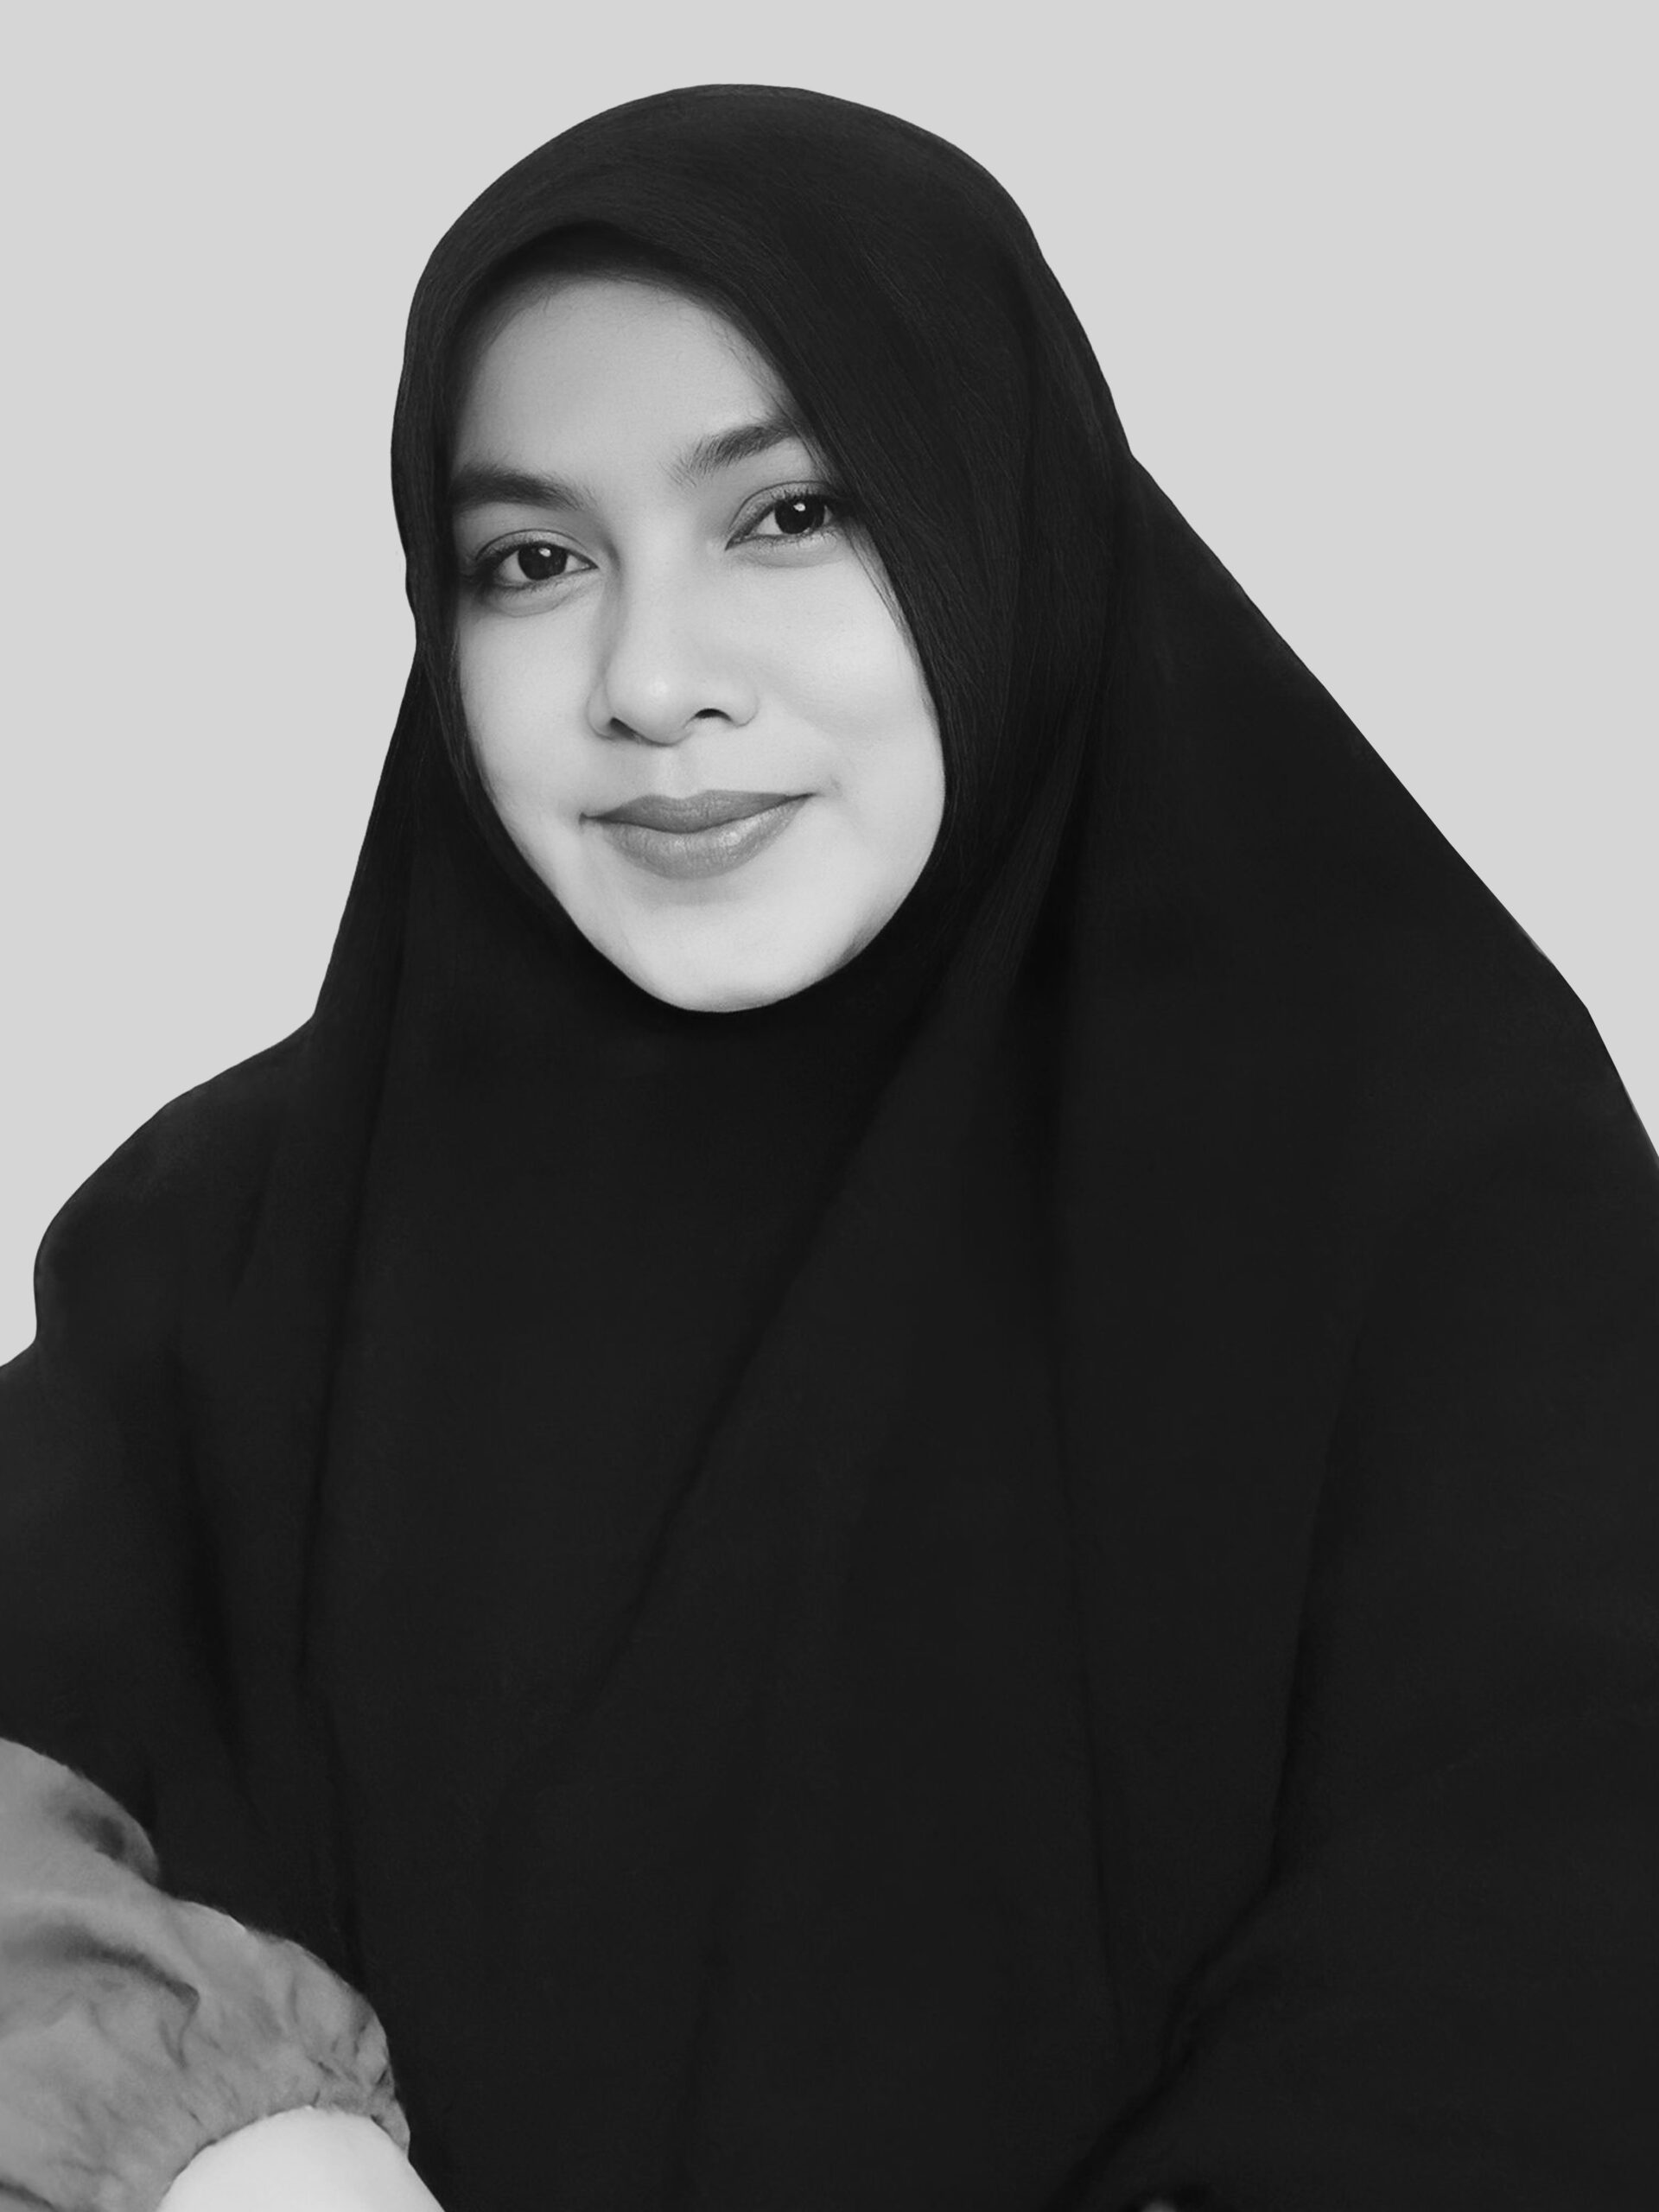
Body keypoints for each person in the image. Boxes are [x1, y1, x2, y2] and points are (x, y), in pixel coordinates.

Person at [2, 79, 1656, 2212]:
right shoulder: (239, 1240)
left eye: (789, 514)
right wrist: (224, 2138)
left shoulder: (1438, 1191)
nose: (652, 678)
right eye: (533, 560)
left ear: (1004, 521)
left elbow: (1545, 1974)